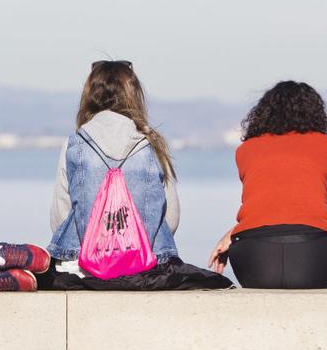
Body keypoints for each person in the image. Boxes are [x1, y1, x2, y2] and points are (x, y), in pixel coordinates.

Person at [40, 60, 231, 290]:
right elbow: (170, 217)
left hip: (82, 266)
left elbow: (60, 216)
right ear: (133, 94)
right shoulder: (152, 144)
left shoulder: (75, 144)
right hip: (146, 264)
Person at [208, 81, 327, 288]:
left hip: (255, 259)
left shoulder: (246, 150)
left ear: (263, 113)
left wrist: (234, 233)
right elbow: (313, 202)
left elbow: (266, 202)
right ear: (316, 113)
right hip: (314, 258)